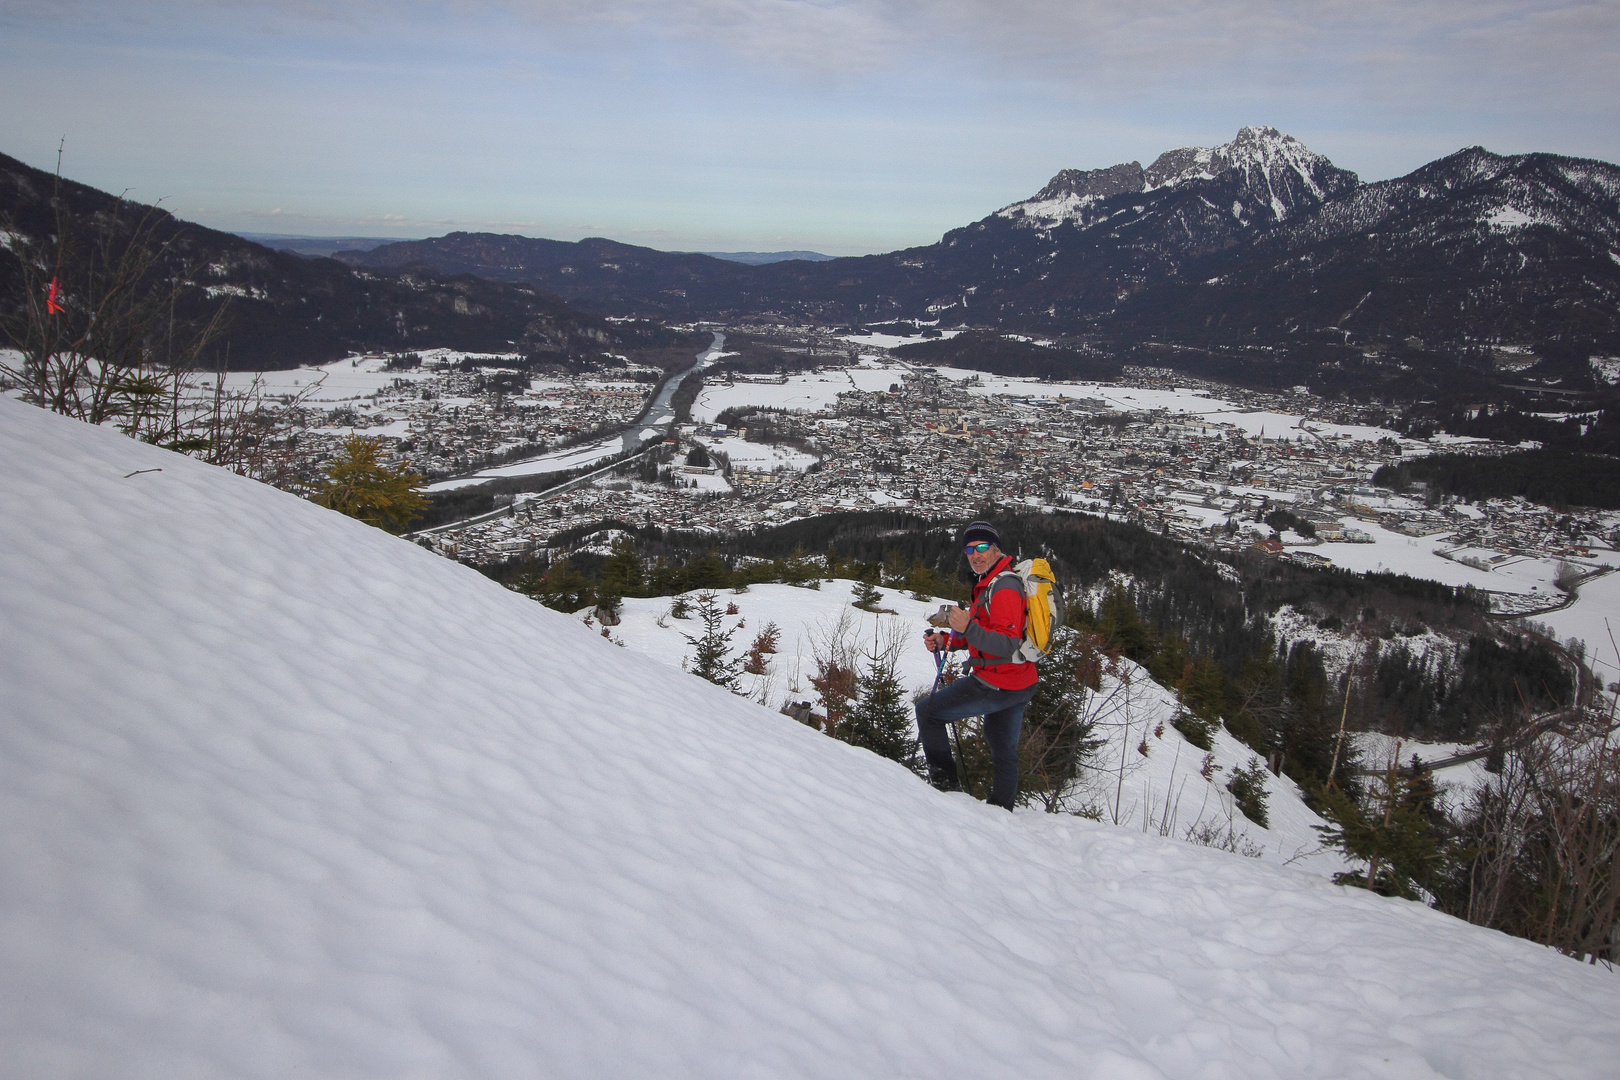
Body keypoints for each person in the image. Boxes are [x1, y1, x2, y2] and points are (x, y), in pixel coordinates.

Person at [917, 521, 1037, 810]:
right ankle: (1001, 810)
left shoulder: (1004, 587)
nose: (975, 554)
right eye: (969, 549)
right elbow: (983, 631)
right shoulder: (989, 583)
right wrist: (948, 640)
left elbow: (1006, 643)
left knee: (929, 712)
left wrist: (967, 628)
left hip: (997, 681)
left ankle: (944, 790)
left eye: (982, 547)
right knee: (1002, 746)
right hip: (1020, 681)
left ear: (996, 549)